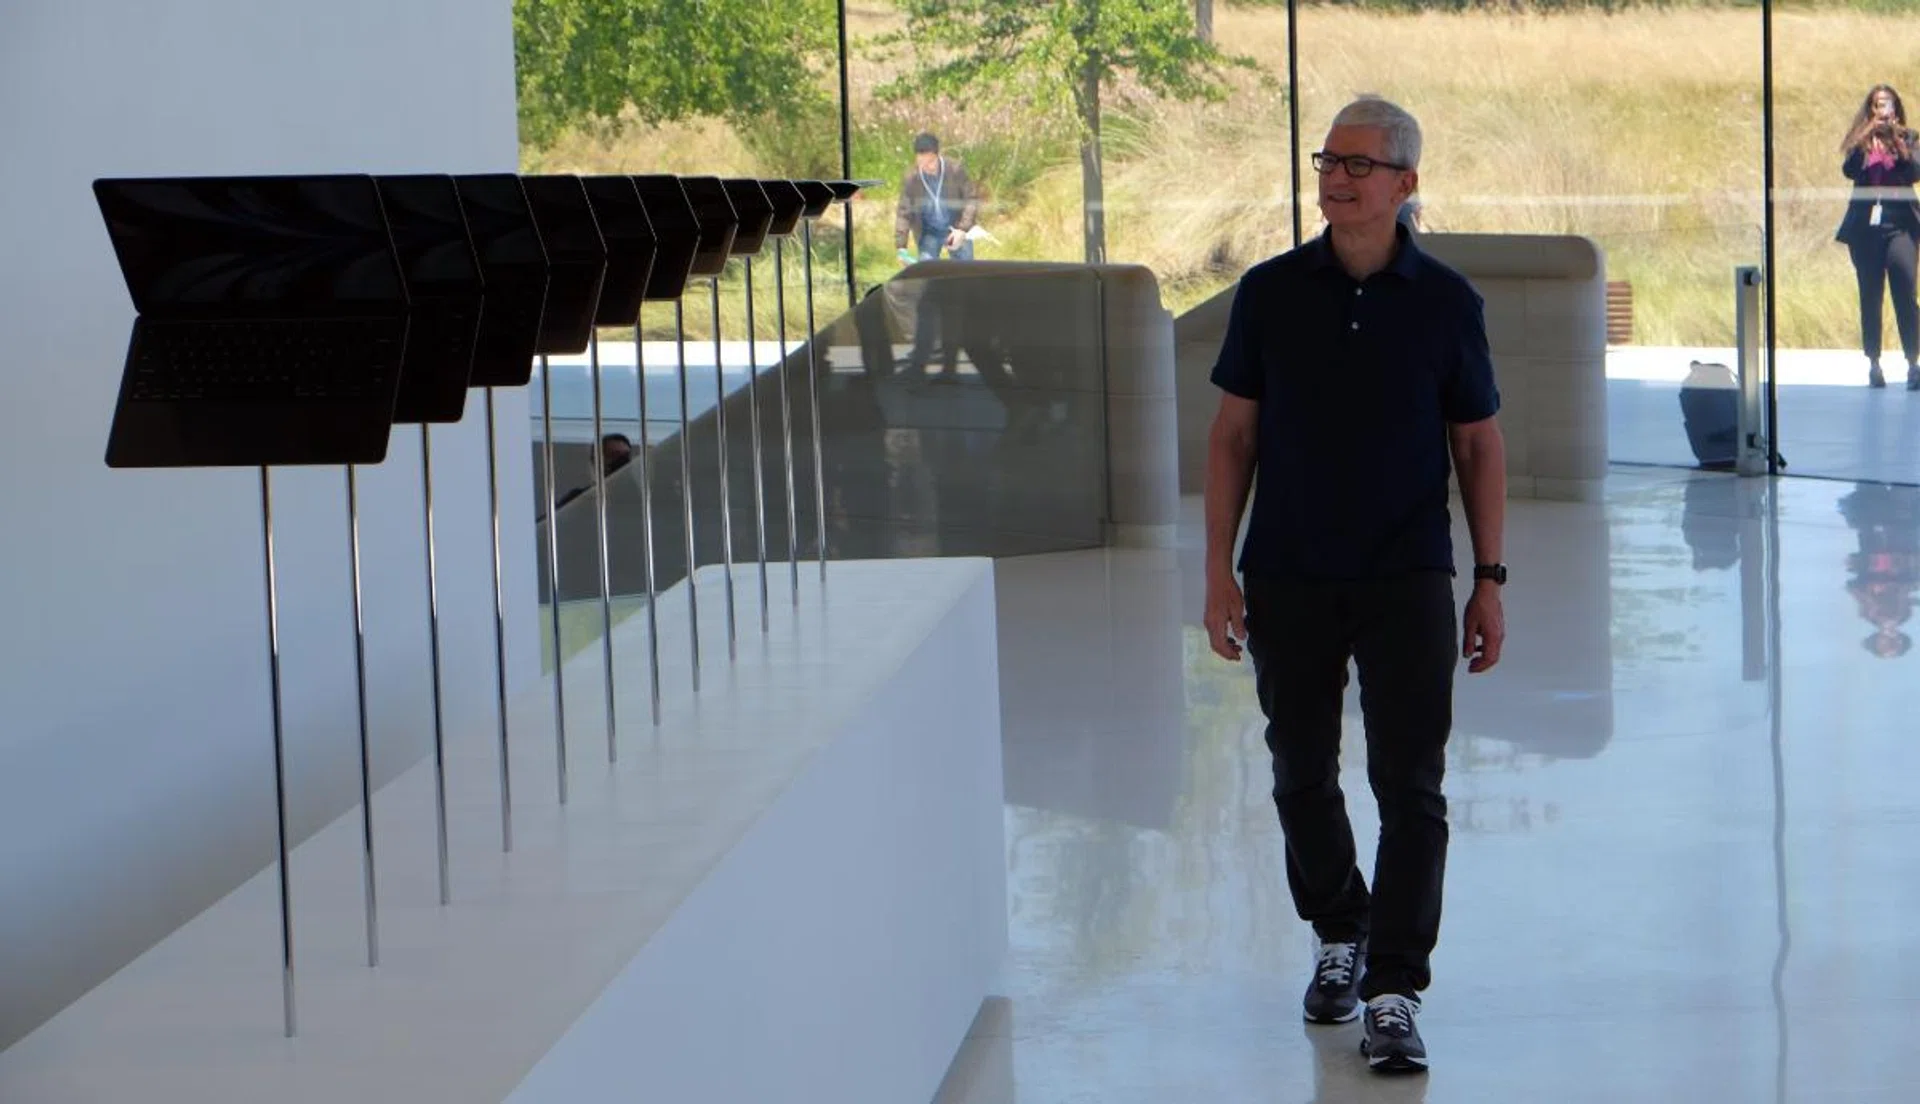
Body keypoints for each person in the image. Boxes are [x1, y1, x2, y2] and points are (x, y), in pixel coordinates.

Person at [1202, 96, 1508, 1075]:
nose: (1337, 178)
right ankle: (1341, 930)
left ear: (1406, 184)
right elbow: (1232, 438)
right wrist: (1216, 568)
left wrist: (1489, 580)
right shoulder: (1269, 293)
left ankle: (1392, 989)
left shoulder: (1449, 304)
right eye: (1328, 161)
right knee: (1299, 769)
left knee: (1410, 784)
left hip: (1408, 569)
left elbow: (1478, 443)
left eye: (1360, 165)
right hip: (1287, 567)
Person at [1836, 83, 1920, 391]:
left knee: (1905, 291)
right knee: (1870, 294)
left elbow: (1914, 172)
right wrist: (1867, 136)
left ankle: (1914, 362)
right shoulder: (1860, 140)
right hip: (1865, 229)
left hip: (1901, 225)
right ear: (1869, 109)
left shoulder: (1910, 137)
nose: (1883, 110)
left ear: (1896, 108)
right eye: (1877, 105)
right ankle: (1874, 362)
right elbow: (1849, 170)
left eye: (1888, 105)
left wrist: (1896, 141)